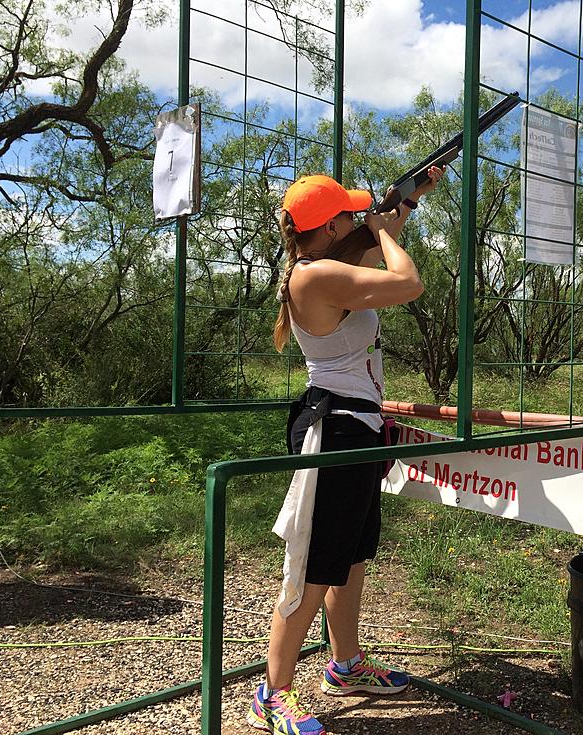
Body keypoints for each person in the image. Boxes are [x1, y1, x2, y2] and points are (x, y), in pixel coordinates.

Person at [248, 167, 444, 735]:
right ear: (331, 226)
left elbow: (362, 266)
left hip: (357, 427)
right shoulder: (311, 277)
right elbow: (408, 283)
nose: (358, 220)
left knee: (351, 556)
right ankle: (273, 693)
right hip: (334, 429)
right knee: (312, 566)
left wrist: (400, 208)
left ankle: (346, 663)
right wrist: (386, 234)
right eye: (349, 216)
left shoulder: (328, 266)